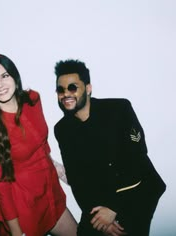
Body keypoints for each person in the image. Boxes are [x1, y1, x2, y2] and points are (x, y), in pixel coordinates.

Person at [53, 59, 166, 236]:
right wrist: (100, 218)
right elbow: (77, 179)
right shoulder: (62, 129)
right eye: (61, 90)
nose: (66, 94)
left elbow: (136, 160)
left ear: (88, 88)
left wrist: (113, 207)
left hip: (137, 189)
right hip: (99, 199)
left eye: (73, 87)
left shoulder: (118, 109)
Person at [0, 54, 77, 236]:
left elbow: (41, 143)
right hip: (24, 210)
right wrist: (16, 231)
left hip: (50, 194)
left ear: (14, 76)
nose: (0, 85)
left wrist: (60, 170)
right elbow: (1, 189)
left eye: (4, 76)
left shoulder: (33, 99)